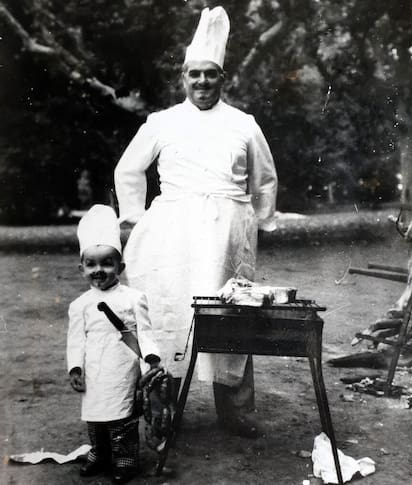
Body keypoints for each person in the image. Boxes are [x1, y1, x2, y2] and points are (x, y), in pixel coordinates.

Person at [114, 6, 278, 438]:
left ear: (223, 79)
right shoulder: (162, 122)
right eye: (195, 74)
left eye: (211, 74)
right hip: (173, 234)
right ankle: (162, 410)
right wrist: (137, 216)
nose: (203, 82)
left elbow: (265, 179)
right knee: (168, 316)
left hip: (226, 236)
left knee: (230, 315)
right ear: (183, 78)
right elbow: (128, 170)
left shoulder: (244, 125)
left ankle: (235, 410)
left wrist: (256, 221)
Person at [67, 204, 160, 484]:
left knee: (122, 415)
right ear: (81, 267)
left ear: (120, 266)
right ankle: (100, 453)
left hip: (122, 364)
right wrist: (75, 368)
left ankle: (125, 458)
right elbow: (75, 338)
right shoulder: (79, 305)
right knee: (95, 416)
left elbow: (144, 332)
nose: (99, 270)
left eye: (107, 263)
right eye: (91, 264)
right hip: (93, 366)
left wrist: (151, 359)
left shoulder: (133, 298)